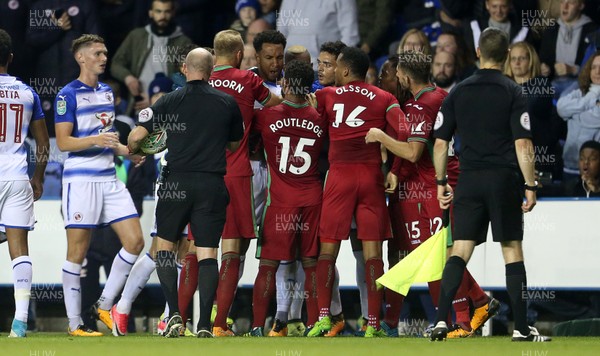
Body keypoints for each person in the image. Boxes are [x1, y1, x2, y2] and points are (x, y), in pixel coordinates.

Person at [429, 27, 551, 342]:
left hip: (468, 180)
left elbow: (440, 144)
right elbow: (524, 145)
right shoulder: (513, 91)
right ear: (507, 55)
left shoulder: (459, 91)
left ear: (479, 52)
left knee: (460, 250)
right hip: (503, 180)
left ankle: (441, 321)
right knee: (511, 250)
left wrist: (442, 181)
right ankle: (522, 329)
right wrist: (530, 185)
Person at [366, 51, 498, 339]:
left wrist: (380, 137)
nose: (396, 77)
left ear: (406, 76)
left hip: (438, 186)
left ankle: (465, 317)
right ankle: (475, 306)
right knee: (435, 254)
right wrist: (397, 173)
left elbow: (413, 152)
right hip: (438, 183)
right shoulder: (437, 95)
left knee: (443, 255)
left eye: (397, 73)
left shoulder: (421, 105)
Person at [128, 47, 244, 338]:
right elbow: (233, 144)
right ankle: (205, 323)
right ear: (212, 67)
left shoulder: (169, 100)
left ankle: (175, 316)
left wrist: (138, 144)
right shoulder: (227, 103)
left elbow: (135, 139)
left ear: (185, 68)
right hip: (212, 184)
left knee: (165, 250)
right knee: (207, 253)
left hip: (176, 184)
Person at [307, 46, 403, 338]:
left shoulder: (326, 96)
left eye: (335, 67)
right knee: (373, 254)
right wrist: (395, 169)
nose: (331, 71)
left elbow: (310, 121)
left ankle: (324, 317)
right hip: (371, 177)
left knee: (327, 250)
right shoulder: (386, 98)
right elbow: (406, 133)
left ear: (345, 70)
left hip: (339, 177)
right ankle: (373, 322)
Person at [54, 34, 145, 337]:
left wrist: (129, 153)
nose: (104, 58)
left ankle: (103, 304)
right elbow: (64, 142)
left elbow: (111, 142)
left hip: (109, 179)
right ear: (80, 58)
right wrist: (95, 139)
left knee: (135, 242)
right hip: (81, 181)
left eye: (105, 53)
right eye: (97, 53)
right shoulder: (67, 94)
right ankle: (74, 323)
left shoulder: (107, 92)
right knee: (77, 254)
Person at [208, 29, 281, 337]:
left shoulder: (201, 79)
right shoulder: (248, 81)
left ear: (214, 55)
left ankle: (183, 320)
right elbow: (278, 104)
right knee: (234, 250)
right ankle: (220, 322)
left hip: (202, 173)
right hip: (240, 172)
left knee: (198, 249)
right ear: (240, 55)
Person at [245, 60, 325, 337]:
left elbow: (243, 130)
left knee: (268, 264)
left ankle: (257, 325)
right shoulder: (319, 117)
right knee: (311, 265)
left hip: (279, 202)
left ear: (286, 84)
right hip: (313, 197)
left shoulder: (267, 116)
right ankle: (316, 324)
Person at [0, 29, 49, 338]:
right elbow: (43, 144)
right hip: (18, 177)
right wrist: (38, 176)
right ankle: (20, 323)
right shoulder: (27, 92)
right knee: (20, 250)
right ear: (11, 58)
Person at [110, 0, 192, 116]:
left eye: (167, 11)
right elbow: (116, 64)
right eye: (158, 11)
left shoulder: (183, 42)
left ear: (173, 13)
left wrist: (158, 99)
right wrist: (128, 77)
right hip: (137, 105)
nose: (162, 16)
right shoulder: (137, 36)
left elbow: (189, 77)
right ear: (150, 13)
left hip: (169, 109)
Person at [504, 41, 563, 185]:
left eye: (522, 58)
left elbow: (529, 109)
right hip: (509, 160)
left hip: (537, 157)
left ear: (531, 61)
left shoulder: (542, 85)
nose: (517, 62)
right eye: (513, 58)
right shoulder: (502, 85)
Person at [557, 51, 600, 188]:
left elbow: (594, 120)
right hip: (570, 168)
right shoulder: (580, 92)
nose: (597, 72)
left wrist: (576, 112)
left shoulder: (579, 99)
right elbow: (561, 108)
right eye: (593, 67)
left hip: (596, 173)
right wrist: (590, 99)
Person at [277, 0, 359, 70]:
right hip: (290, 68)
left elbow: (350, 36)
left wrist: (337, 67)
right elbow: (281, 33)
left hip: (323, 70)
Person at [539, 0, 597, 95]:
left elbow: (595, 67)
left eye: (570, 3)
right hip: (553, 81)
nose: (565, 7)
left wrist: (573, 70)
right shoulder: (551, 29)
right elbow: (543, 58)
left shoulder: (592, 31)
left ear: (581, 6)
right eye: (562, 2)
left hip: (580, 83)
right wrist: (544, 68)